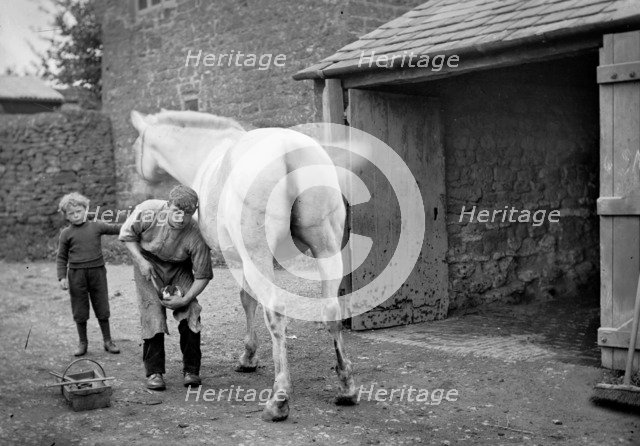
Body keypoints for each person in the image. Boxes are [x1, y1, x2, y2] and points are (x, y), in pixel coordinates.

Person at [119, 185, 212, 390]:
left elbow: (203, 275)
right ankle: (154, 372)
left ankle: (191, 370)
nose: (181, 217)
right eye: (176, 211)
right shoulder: (148, 211)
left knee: (191, 311)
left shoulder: (197, 235)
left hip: (179, 268)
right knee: (152, 312)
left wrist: (185, 299)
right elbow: (127, 236)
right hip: (147, 263)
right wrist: (141, 261)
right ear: (168, 205)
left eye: (187, 214)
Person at [56, 192, 122, 356]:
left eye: (79, 211)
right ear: (66, 216)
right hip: (76, 275)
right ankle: (83, 343)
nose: (76, 215)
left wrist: (135, 224)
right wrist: (62, 277)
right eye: (71, 213)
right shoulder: (66, 234)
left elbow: (117, 228)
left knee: (102, 305)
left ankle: (108, 341)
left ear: (86, 209)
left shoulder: (96, 226)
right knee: (79, 309)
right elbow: (61, 257)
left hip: (97, 272)